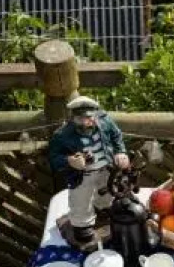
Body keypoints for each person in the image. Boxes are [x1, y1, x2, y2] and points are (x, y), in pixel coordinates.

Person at [48, 96, 129, 243]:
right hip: (82, 174)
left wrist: (120, 152)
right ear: (72, 118)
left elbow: (116, 135)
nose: (86, 122)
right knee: (81, 199)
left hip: (106, 168)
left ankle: (104, 210)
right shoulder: (62, 135)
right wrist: (69, 161)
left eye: (90, 117)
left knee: (107, 191)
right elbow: (54, 157)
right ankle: (82, 225)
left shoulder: (105, 121)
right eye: (81, 118)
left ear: (96, 114)